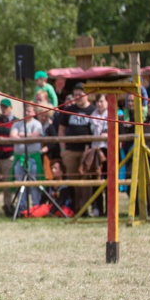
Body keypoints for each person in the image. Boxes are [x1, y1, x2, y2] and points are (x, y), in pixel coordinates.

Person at [56, 82, 95, 214]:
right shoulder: (68, 110)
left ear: (87, 95)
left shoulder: (93, 110)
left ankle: (86, 208)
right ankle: (75, 207)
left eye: (81, 94)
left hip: (87, 151)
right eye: (76, 94)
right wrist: (63, 150)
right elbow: (61, 130)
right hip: (70, 151)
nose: (78, 97)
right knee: (73, 180)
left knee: (85, 180)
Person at [10, 103, 43, 213]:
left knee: (34, 183)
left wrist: (21, 135)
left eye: (29, 111)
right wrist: (26, 135)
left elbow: (35, 135)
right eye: (26, 111)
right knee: (20, 183)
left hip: (33, 157)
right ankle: (21, 207)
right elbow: (12, 136)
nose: (27, 113)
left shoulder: (37, 124)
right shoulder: (17, 123)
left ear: (34, 112)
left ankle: (35, 206)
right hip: (20, 158)